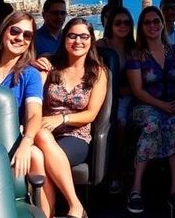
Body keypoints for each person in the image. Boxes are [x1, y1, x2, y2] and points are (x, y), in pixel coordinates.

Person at [34, 18, 107, 218]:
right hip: (43, 130)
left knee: (41, 144)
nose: (78, 41)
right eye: (72, 36)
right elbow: (34, 98)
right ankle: (68, 208)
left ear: (91, 40)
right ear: (64, 38)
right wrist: (36, 66)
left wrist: (62, 119)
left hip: (76, 135)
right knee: (39, 150)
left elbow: (91, 114)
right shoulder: (50, 64)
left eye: (84, 36)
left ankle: (72, 205)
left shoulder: (98, 72)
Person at [125, 6, 175, 214]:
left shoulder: (174, 51)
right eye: (147, 22)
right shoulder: (136, 55)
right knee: (154, 123)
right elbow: (137, 90)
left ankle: (174, 190)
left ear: (162, 23)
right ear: (141, 27)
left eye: (156, 21)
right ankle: (136, 189)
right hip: (144, 107)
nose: (152, 25)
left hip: (171, 105)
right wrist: (162, 106)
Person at [0, 11, 46, 182]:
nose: (20, 38)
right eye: (15, 31)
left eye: (27, 35)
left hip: (8, 137)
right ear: (4, 31)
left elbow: (34, 114)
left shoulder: (30, 75)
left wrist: (26, 142)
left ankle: (41, 209)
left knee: (35, 155)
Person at [95, 6, 136, 194]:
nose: (122, 26)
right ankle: (115, 172)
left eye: (126, 22)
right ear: (110, 25)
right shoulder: (100, 46)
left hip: (130, 95)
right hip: (105, 96)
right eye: (118, 22)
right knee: (120, 122)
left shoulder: (134, 49)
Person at [34, 0, 67, 67]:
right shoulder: (33, 39)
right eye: (55, 13)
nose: (59, 17)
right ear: (44, 15)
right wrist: (34, 62)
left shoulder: (68, 37)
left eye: (63, 13)